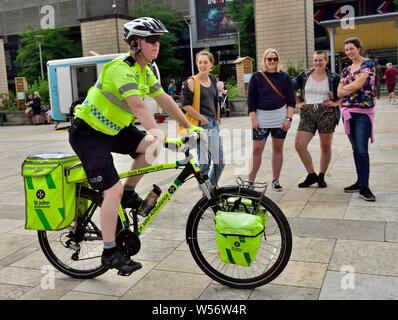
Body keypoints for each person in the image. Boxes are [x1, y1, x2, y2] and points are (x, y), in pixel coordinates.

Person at [68, 17, 204, 274]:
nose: (157, 45)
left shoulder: (147, 70)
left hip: (112, 129)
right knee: (112, 191)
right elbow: (138, 107)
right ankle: (109, 252)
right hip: (88, 133)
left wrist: (189, 124)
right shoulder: (120, 68)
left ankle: (130, 193)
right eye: (151, 40)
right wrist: (156, 131)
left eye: (159, 40)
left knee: (150, 148)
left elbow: (163, 99)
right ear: (134, 44)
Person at [247, 48, 296, 191]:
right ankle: (250, 181)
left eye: (275, 59)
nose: (272, 61)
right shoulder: (256, 77)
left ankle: (276, 179)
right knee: (256, 150)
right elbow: (251, 102)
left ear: (278, 60)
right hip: (261, 118)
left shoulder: (284, 77)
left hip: (280, 118)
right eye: (269, 59)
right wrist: (253, 120)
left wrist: (289, 119)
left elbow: (291, 101)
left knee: (278, 148)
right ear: (264, 60)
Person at [293, 50, 342, 188]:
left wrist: (336, 103)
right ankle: (311, 175)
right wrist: (297, 103)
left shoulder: (333, 77)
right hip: (307, 112)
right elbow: (289, 86)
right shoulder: (305, 75)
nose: (317, 63)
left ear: (326, 61)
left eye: (320, 60)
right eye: (315, 60)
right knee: (299, 145)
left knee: (325, 146)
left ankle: (321, 176)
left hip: (326, 112)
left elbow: (345, 91)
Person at [338, 37, 376, 201]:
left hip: (363, 113)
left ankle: (365, 187)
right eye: (346, 50)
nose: (349, 52)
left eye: (351, 48)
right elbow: (339, 93)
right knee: (355, 149)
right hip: (347, 113)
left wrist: (346, 89)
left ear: (359, 48)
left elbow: (359, 84)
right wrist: (348, 88)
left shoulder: (368, 64)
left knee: (362, 149)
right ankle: (360, 181)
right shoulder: (345, 71)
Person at [182, 51, 225, 188]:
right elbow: (186, 106)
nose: (202, 65)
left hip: (213, 122)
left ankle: (207, 189)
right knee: (205, 161)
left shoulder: (212, 79)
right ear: (196, 64)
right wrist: (204, 120)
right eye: (200, 62)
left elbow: (216, 100)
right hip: (202, 124)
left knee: (220, 162)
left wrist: (217, 118)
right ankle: (206, 192)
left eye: (206, 62)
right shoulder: (191, 81)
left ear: (211, 64)